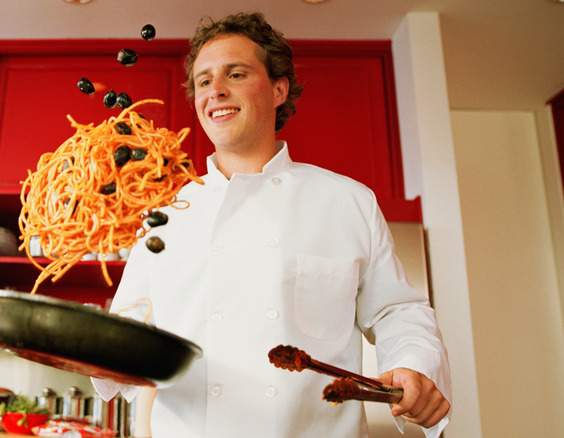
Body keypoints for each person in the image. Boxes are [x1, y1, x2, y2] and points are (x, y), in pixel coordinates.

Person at [93, 12, 452, 438]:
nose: (216, 91)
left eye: (236, 73)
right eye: (204, 81)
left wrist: (414, 364)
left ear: (279, 89)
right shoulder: (165, 212)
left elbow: (397, 310)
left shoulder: (347, 201)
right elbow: (124, 338)